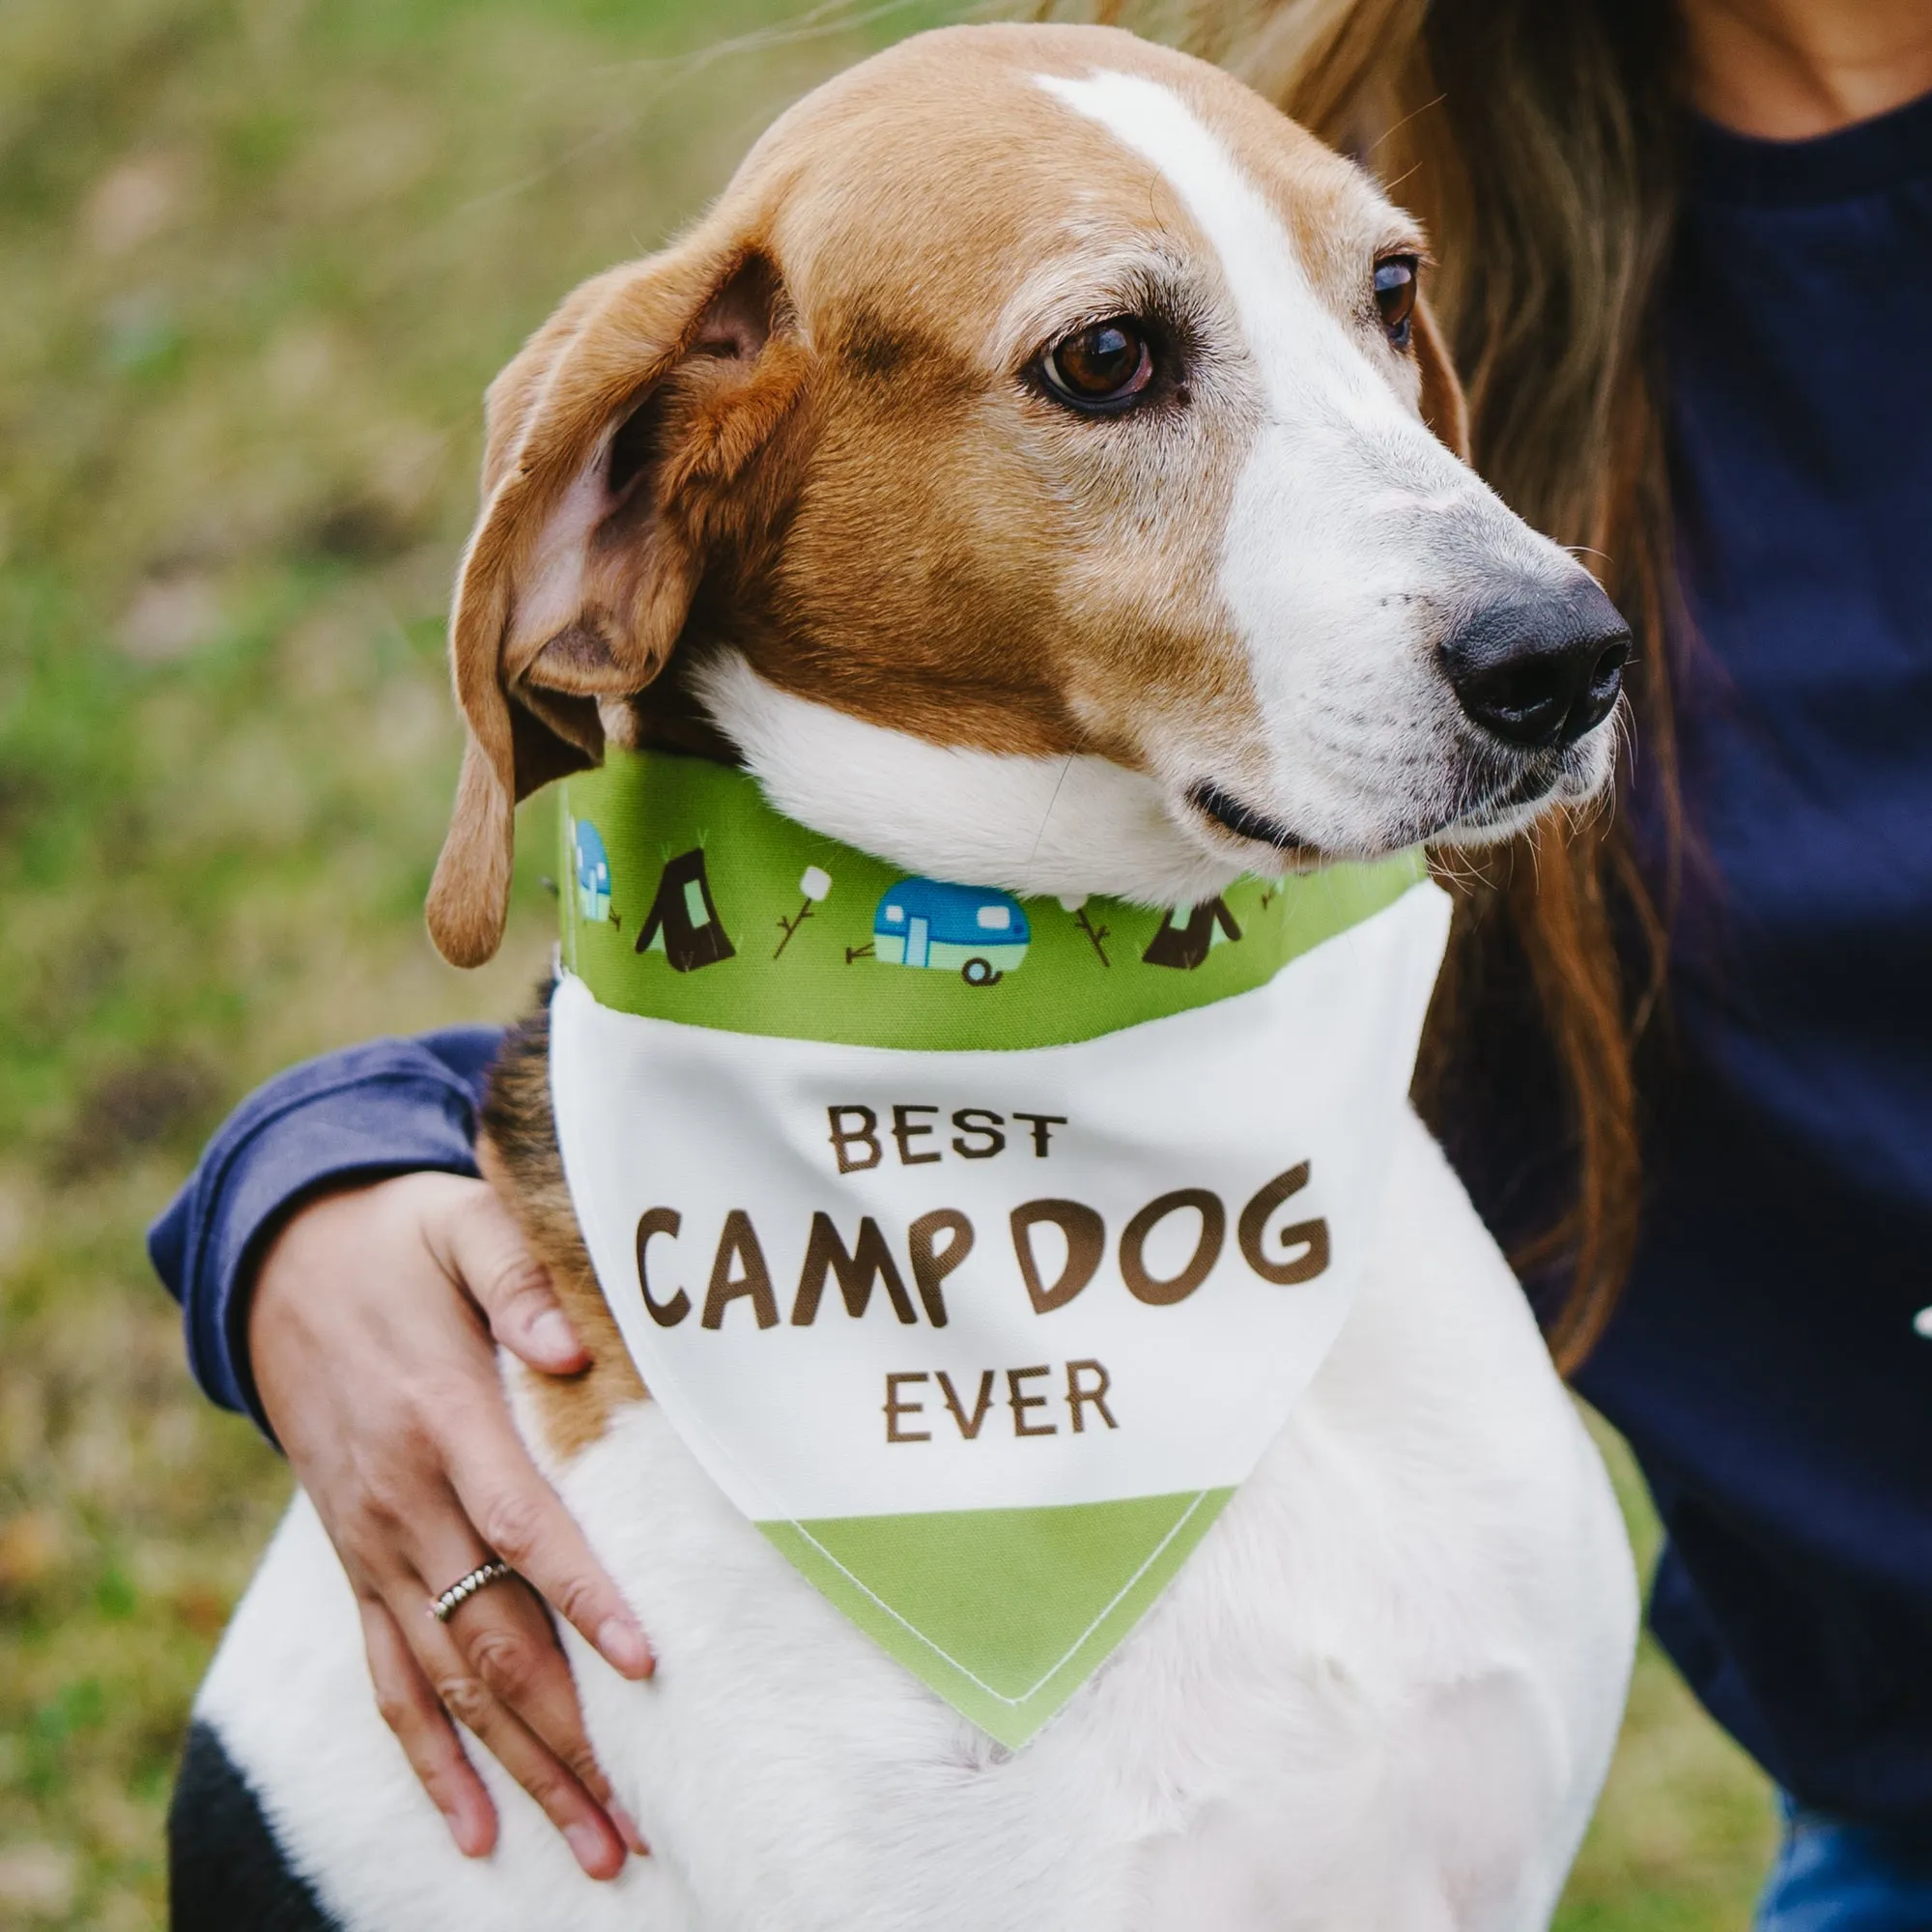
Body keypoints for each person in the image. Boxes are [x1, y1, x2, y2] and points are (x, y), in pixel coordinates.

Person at [150, 0, 1932, 1918]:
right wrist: (305, 1180)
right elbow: (710, 1018)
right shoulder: (1428, 148)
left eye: (1376, 299)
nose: (1529, 604)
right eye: (1108, 362)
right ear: (657, 490)